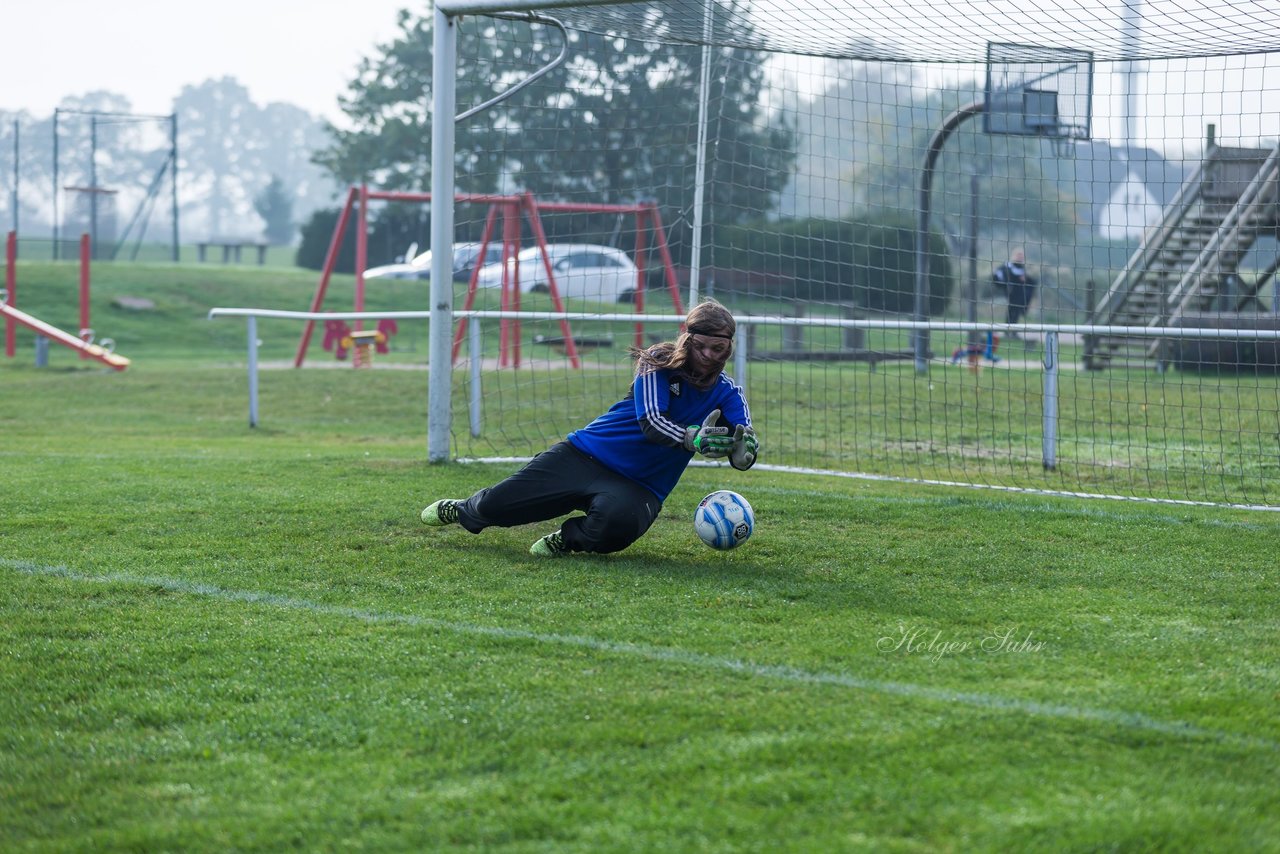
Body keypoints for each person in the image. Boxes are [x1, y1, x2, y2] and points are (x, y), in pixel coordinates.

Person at [420, 299, 760, 557]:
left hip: (640, 487)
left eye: (717, 349)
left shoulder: (729, 393)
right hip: (585, 455)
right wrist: (693, 437)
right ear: (686, 338)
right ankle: (464, 508)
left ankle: (569, 537)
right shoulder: (656, 360)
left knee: (617, 529)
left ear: (728, 348)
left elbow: (744, 435)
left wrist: (742, 454)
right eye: (700, 345)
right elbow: (652, 422)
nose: (707, 355)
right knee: (497, 507)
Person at [992, 248, 1039, 328]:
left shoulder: (1021, 268)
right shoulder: (1008, 265)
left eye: (1022, 256)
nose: (1020, 257)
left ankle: (1013, 329)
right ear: (1014, 256)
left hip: (1020, 294)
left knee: (1016, 311)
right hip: (1012, 292)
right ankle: (1009, 330)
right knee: (1012, 310)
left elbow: (1027, 280)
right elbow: (1000, 275)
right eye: (1019, 255)